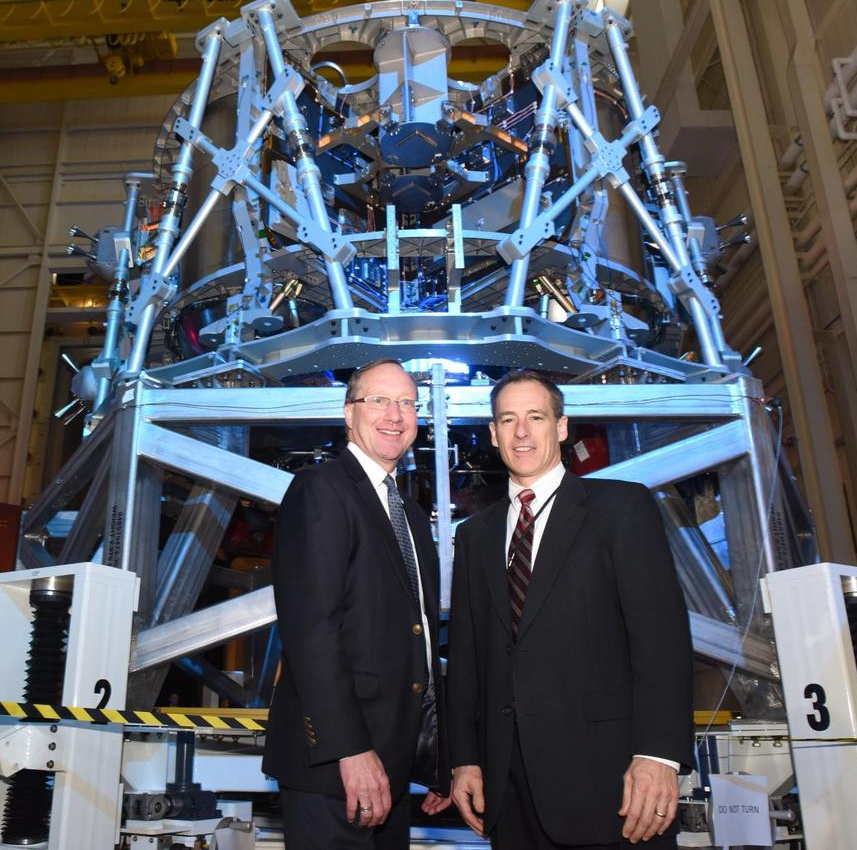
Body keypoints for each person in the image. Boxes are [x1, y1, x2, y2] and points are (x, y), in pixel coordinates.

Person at [447, 370, 693, 848]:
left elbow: (660, 641)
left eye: (536, 417)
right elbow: (467, 657)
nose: (522, 432)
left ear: (561, 427)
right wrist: (465, 759)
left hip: (612, 784)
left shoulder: (621, 508)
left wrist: (660, 756)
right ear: (494, 433)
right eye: (508, 419)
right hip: (509, 791)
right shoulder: (474, 535)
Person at [263, 359, 451, 848]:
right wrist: (350, 750)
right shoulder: (320, 489)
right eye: (380, 401)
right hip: (337, 767)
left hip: (391, 763)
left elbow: (421, 639)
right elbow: (311, 631)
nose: (395, 415)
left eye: (407, 404)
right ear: (349, 414)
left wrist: (434, 755)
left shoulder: (406, 509)